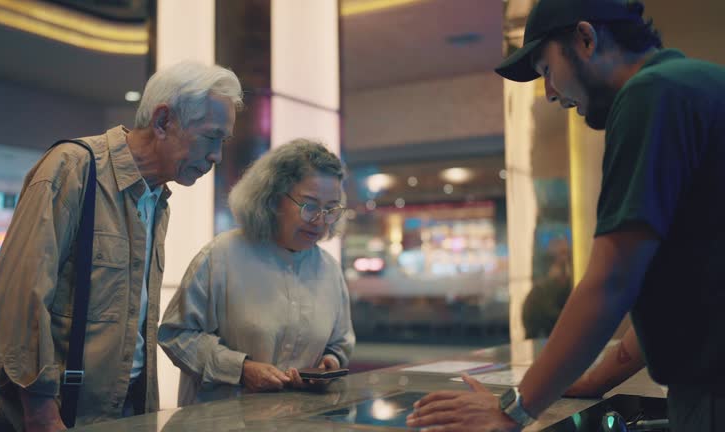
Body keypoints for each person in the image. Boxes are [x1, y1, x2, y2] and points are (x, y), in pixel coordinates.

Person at [406, 0, 725, 430]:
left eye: (546, 70)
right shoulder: (696, 85)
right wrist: (593, 380)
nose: (551, 93)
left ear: (586, 38)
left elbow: (613, 279)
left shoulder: (652, 95)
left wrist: (515, 410)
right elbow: (686, 290)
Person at [0, 61, 243, 432]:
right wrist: (41, 411)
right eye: (211, 137)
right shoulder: (73, 168)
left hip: (121, 412)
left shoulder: (157, 198)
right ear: (162, 122)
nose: (216, 156)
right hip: (55, 416)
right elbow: (19, 299)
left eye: (223, 143)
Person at [158, 138, 355, 406]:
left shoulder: (329, 270)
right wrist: (240, 370)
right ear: (273, 200)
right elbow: (176, 335)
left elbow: (340, 342)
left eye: (330, 209)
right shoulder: (222, 255)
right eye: (309, 206)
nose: (320, 221)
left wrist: (330, 363)